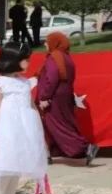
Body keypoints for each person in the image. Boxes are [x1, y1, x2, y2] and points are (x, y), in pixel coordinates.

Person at [0, 43, 48, 194]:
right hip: (6, 131)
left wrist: (38, 130)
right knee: (4, 169)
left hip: (23, 130)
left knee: (15, 169)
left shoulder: (25, 82)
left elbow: (31, 105)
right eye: (25, 59)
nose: (28, 62)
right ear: (13, 61)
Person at [37, 33, 99, 164]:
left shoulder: (54, 57)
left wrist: (44, 97)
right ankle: (55, 152)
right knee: (63, 123)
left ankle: (85, 147)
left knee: (58, 126)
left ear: (54, 42)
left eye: (47, 41)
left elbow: (52, 78)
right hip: (64, 96)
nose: (44, 44)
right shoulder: (66, 58)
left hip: (54, 98)